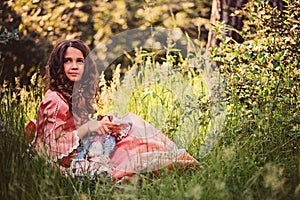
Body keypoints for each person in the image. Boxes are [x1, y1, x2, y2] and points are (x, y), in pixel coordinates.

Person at [26, 39, 198, 180]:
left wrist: (101, 122)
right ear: (58, 65)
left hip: (84, 148)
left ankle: (169, 161)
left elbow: (78, 125)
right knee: (129, 146)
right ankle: (135, 172)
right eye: (67, 61)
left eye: (80, 61)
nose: (74, 66)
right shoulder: (55, 100)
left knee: (129, 126)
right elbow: (51, 147)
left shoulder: (75, 92)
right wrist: (89, 128)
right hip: (68, 159)